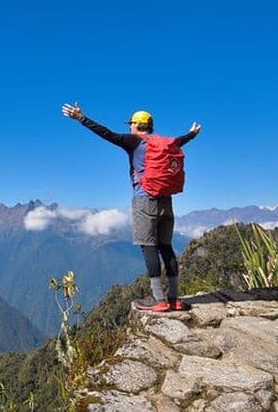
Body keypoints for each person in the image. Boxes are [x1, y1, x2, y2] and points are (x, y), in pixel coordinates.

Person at [62, 102, 201, 312]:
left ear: (138, 125)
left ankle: (159, 300)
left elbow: (106, 134)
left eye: (131, 124)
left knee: (149, 246)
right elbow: (182, 141)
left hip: (145, 200)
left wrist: (81, 118)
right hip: (166, 200)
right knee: (167, 247)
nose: (129, 127)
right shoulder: (167, 143)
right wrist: (192, 134)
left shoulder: (133, 141)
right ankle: (174, 299)